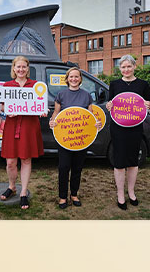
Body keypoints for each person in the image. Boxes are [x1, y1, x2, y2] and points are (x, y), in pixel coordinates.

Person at [49, 67, 102, 209]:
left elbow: (91, 117)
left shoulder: (86, 96)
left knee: (77, 168)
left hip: (81, 139)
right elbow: (56, 113)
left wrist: (96, 123)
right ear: (67, 79)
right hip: (64, 139)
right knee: (64, 167)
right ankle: (62, 197)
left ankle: (74, 194)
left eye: (76, 77)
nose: (74, 79)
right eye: (71, 77)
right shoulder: (61, 95)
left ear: (80, 79)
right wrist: (52, 122)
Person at [106, 55, 150, 210]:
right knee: (119, 162)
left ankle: (131, 192)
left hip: (135, 128)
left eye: (129, 66)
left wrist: (149, 105)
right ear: (120, 68)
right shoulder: (114, 84)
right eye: (123, 67)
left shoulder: (143, 84)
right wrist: (109, 106)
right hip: (118, 128)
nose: (126, 70)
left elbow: (148, 105)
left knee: (133, 161)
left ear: (134, 67)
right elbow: (110, 104)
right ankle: (120, 194)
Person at [0, 56, 45, 209]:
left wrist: (43, 111)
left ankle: (23, 192)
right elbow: (3, 107)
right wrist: (8, 111)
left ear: (28, 68)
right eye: (18, 67)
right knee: (10, 161)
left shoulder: (36, 86)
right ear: (13, 69)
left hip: (29, 125)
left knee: (26, 159)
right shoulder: (7, 85)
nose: (21, 70)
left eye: (24, 67)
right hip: (12, 125)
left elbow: (40, 105)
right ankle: (12, 186)